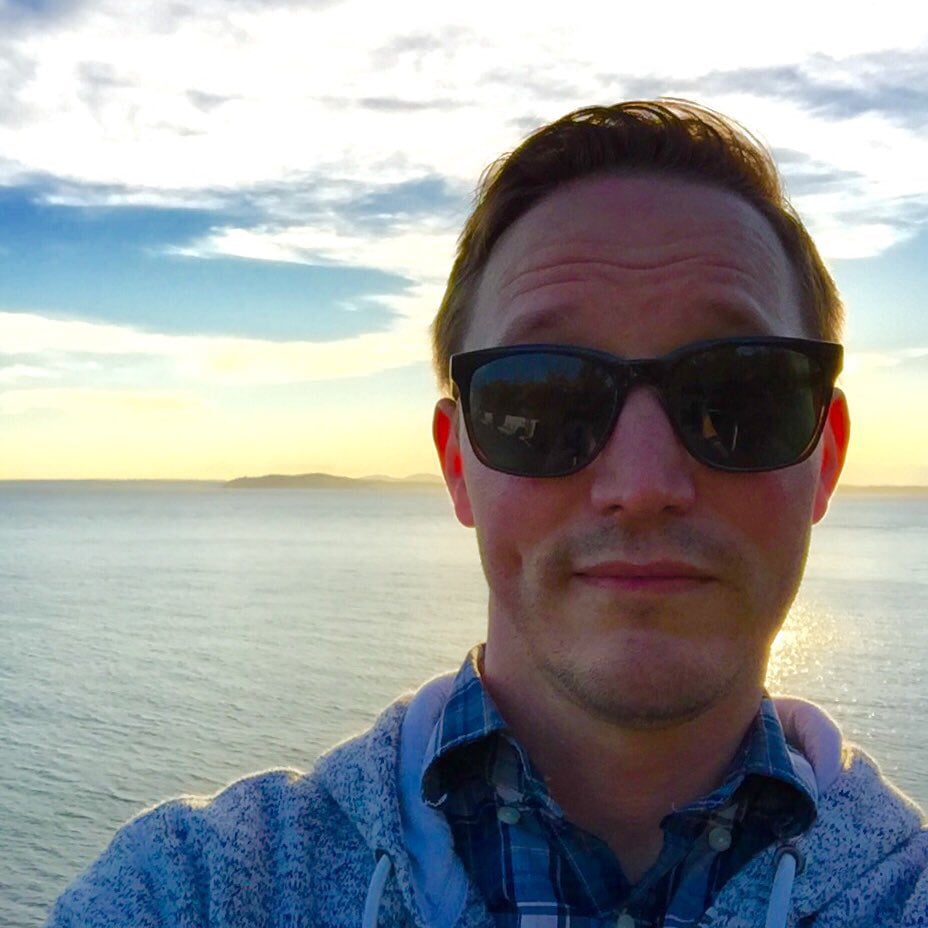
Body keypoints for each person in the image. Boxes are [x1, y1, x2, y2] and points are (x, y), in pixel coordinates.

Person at [47, 101, 927, 928]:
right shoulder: (196, 888)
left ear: (826, 456)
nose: (643, 482)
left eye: (739, 395)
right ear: (457, 465)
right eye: (542, 402)